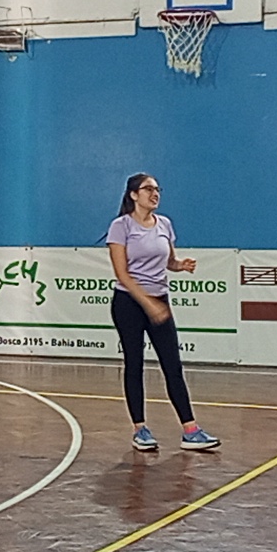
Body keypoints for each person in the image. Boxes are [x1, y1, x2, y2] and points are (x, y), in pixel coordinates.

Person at [106, 173, 220, 453]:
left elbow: (169, 261)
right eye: (148, 189)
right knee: (135, 363)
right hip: (129, 303)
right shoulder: (121, 226)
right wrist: (148, 303)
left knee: (172, 365)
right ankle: (140, 429)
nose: (155, 193)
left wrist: (181, 265)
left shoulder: (164, 224)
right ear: (134, 195)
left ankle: (190, 430)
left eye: (157, 189)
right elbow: (122, 274)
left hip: (159, 300)